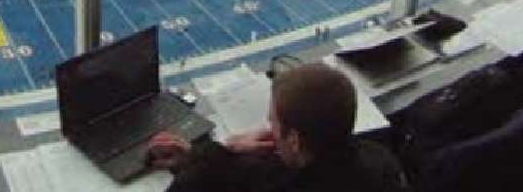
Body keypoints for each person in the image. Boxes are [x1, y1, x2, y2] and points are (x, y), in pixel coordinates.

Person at [148, 63, 407, 192]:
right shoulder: (381, 161)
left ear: (294, 139)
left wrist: (224, 149)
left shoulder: (270, 179)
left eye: (272, 119)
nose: (268, 125)